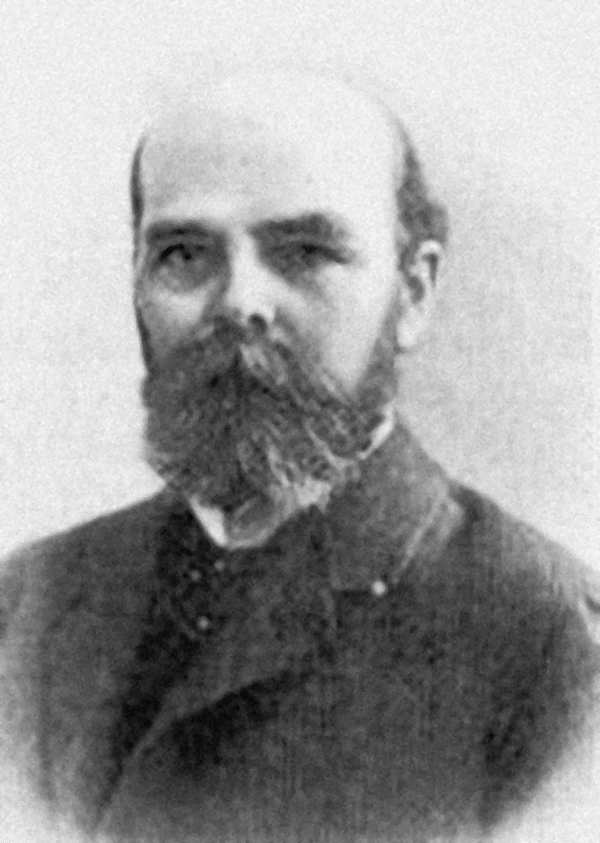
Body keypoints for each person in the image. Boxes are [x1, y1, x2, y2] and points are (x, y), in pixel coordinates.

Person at [1, 67, 599, 843]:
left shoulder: (552, 649)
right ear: (137, 284)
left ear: (413, 292)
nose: (238, 303)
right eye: (183, 254)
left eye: (307, 251)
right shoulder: (26, 605)